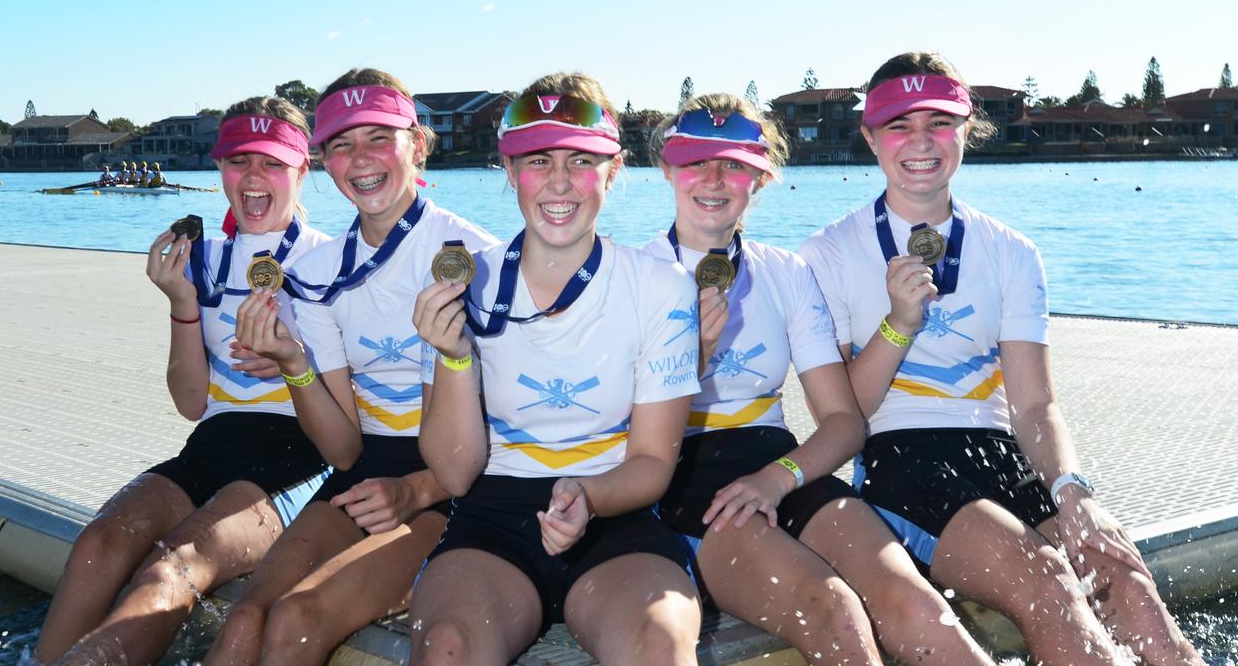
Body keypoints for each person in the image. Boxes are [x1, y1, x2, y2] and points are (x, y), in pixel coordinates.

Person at [801, 51, 1203, 666]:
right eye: (899, 125)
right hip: (898, 456)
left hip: (996, 452)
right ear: (870, 137)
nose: (920, 142)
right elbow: (843, 418)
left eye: (939, 123)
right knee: (1050, 587)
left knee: (1129, 586)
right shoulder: (826, 255)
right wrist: (897, 325)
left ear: (966, 130)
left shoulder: (1011, 251)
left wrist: (1074, 492)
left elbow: (1036, 404)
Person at [644, 93, 995, 665]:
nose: (713, 178)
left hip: (780, 464)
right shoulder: (629, 278)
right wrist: (693, 356)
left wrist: (778, 478)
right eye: (696, 160)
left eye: (734, 163)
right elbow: (612, 432)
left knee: (918, 606)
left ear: (760, 177)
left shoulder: (786, 274)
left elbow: (843, 424)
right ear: (667, 168)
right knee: (834, 612)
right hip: (681, 482)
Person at [205, 69, 497, 665]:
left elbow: (513, 428)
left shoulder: (480, 260)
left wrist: (418, 490)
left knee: (295, 619)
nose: (360, 159)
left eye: (378, 138)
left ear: (417, 144)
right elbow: (341, 451)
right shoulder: (317, 277)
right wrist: (293, 362)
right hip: (369, 468)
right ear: (324, 161)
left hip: (466, 479)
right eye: (341, 143)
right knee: (246, 618)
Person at [410, 73, 702, 666]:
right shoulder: (459, 283)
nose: (560, 182)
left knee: (660, 647)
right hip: (492, 516)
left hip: (615, 510)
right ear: (510, 170)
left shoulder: (663, 287)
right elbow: (455, 474)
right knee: (448, 648)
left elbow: (650, 463)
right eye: (538, 160)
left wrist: (588, 496)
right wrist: (455, 357)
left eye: (581, 160)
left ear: (613, 170)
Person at [38, 96, 332, 665]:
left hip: (299, 458)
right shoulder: (199, 261)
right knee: (97, 545)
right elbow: (191, 401)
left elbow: (370, 401)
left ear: (303, 167)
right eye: (237, 161)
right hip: (211, 445)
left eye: (271, 162)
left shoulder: (338, 263)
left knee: (172, 567)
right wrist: (182, 304)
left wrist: (299, 365)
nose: (252, 178)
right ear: (218, 167)